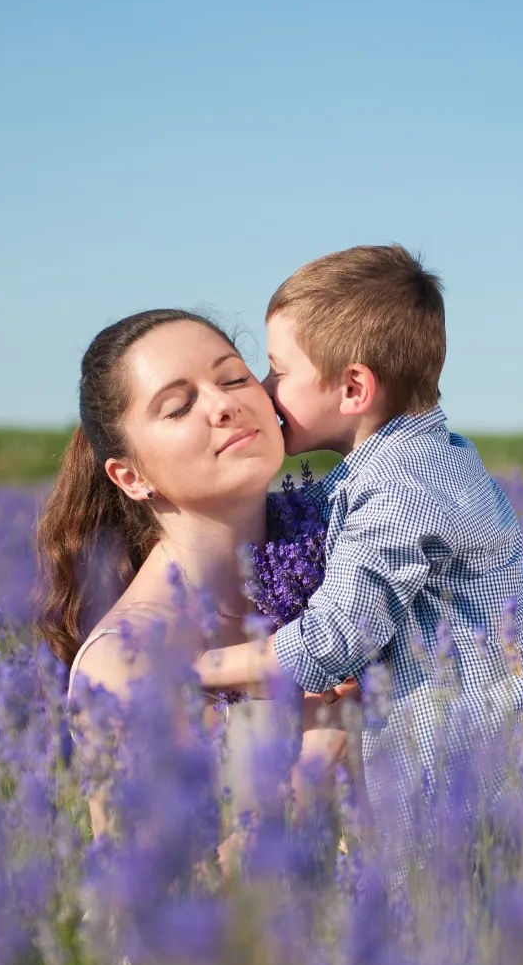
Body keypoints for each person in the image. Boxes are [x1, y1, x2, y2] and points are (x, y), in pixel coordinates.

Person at [195, 245, 523, 876]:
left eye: (278, 370)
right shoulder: (415, 460)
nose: (264, 386)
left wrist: (198, 668)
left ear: (355, 387)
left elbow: (333, 639)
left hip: (506, 796)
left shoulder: (404, 491)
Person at [34, 308, 346, 843]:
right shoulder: (128, 658)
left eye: (233, 379)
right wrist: (318, 766)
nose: (225, 405)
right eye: (179, 408)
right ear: (131, 477)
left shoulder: (352, 566)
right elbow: (160, 893)